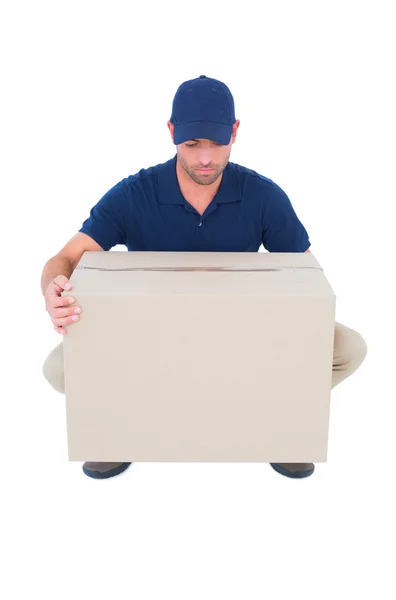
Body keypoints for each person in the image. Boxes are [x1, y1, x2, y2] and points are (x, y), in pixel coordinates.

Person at [41, 75, 368, 481]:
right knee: (60, 371)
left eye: (217, 143)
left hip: (242, 336)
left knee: (349, 348)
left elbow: (306, 276)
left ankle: (277, 424)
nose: (206, 159)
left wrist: (296, 362)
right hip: (149, 338)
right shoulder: (133, 194)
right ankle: (125, 429)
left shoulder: (263, 196)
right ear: (172, 133)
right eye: (193, 144)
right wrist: (51, 291)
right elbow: (64, 259)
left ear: (234, 132)